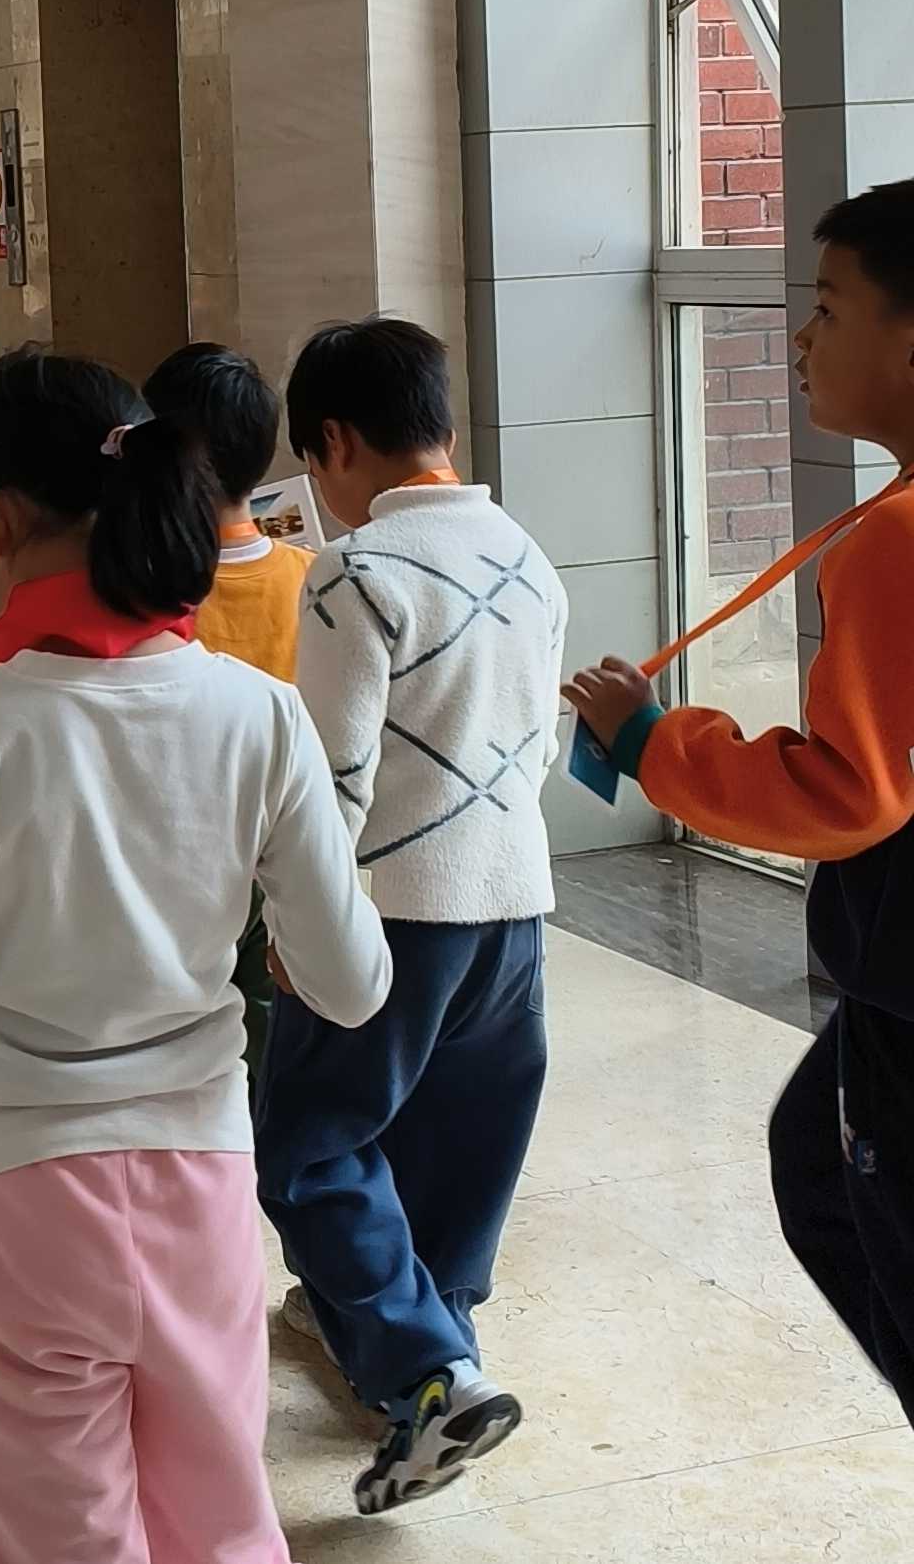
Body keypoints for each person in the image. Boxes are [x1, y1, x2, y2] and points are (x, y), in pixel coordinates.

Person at [0, 353, 390, 1564]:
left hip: (11, 1189)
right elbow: (352, 983)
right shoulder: (260, 713)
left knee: (58, 1534)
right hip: (199, 1175)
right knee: (222, 1517)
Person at [564, 179, 914, 1425]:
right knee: (814, 1161)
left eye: (829, 308)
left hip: (906, 996)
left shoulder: (898, 541)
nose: (802, 340)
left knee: (846, 1198)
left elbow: (850, 793)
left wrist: (655, 743)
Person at [251, 316, 567, 1516]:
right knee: (462, 1139)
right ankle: (443, 1349)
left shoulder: (356, 571)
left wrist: (301, 921)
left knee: (311, 1145)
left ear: (334, 443)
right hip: (515, 904)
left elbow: (333, 777)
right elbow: (535, 747)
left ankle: (430, 1375)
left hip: (395, 911)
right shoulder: (527, 555)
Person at [141, 342, 305, 1103]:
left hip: (177, 848)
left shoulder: (153, 593)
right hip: (286, 843)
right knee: (269, 1032)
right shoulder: (313, 576)